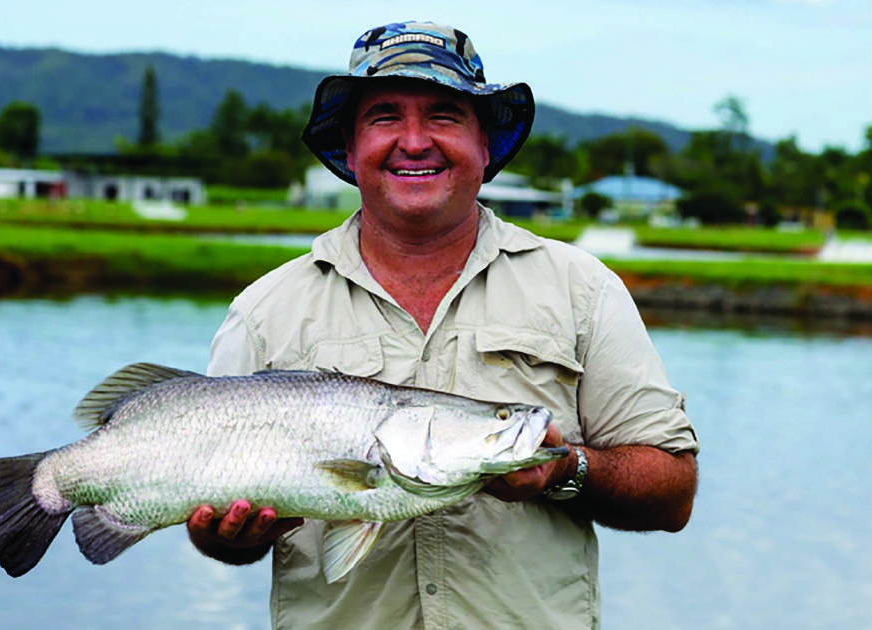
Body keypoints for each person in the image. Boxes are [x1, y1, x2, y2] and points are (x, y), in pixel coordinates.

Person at [187, 21, 699, 629]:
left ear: (486, 144)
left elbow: (673, 491)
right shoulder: (265, 309)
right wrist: (231, 537)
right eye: (383, 117)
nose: (413, 141)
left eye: (444, 115)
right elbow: (213, 527)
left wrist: (566, 471)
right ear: (350, 150)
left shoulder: (581, 289)